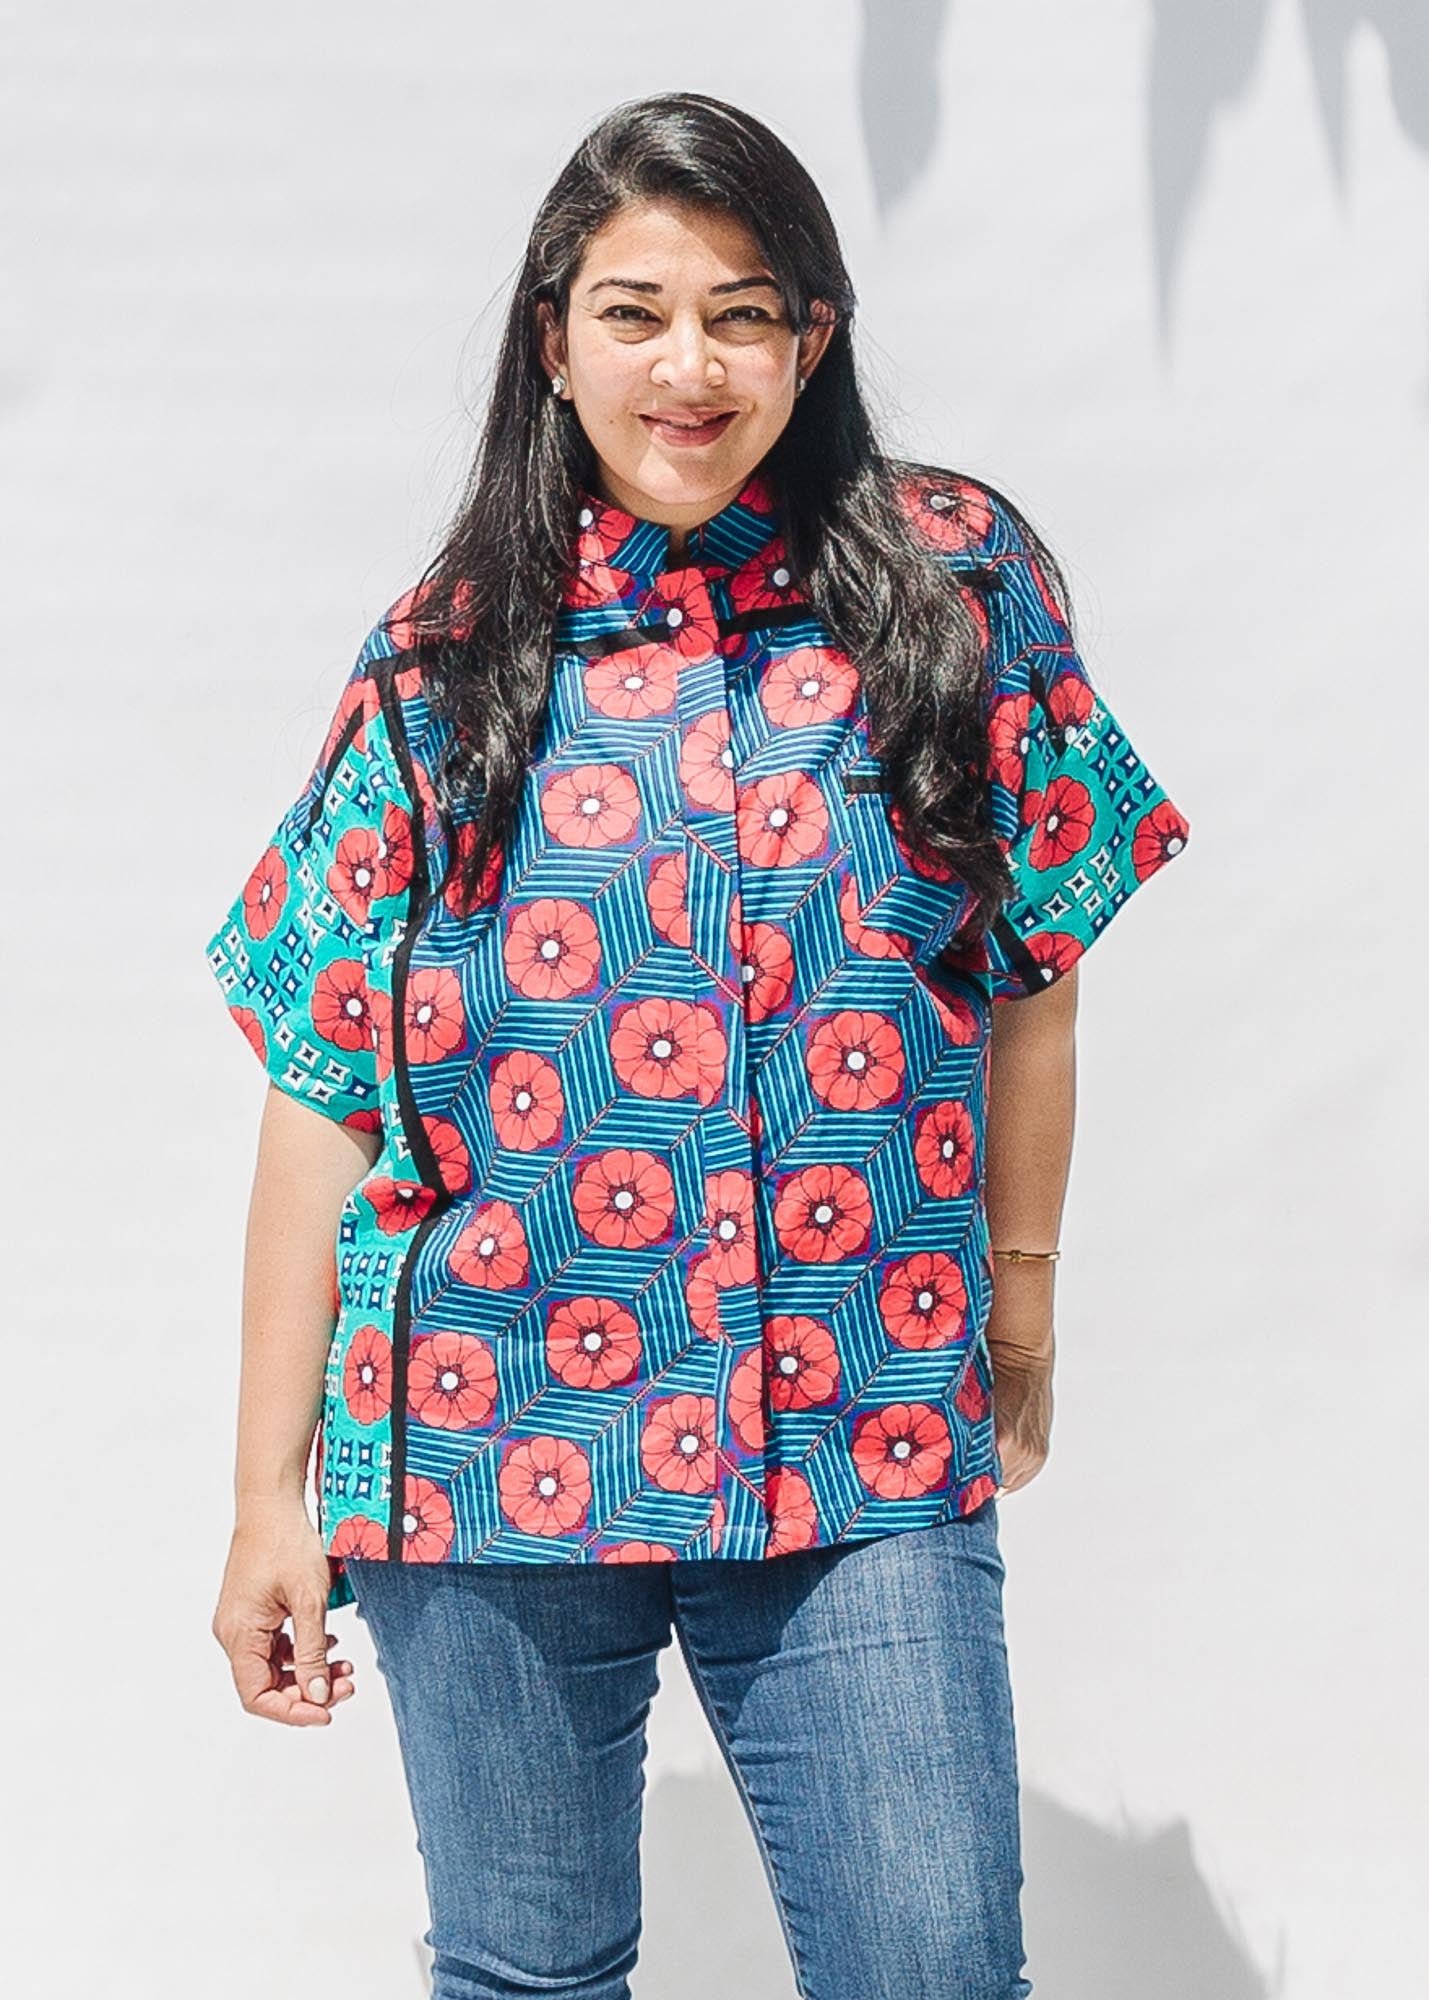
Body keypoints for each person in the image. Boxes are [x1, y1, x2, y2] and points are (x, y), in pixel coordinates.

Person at [204, 90, 1190, 2000]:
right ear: (552, 340)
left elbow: (1034, 955)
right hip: (481, 1437)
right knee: (526, 1975)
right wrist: (267, 1501)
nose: (691, 364)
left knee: (929, 1965)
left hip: (860, 1424)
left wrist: (1024, 1287)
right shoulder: (443, 659)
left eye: (744, 312)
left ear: (810, 339)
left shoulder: (952, 584)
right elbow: (321, 1093)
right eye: (635, 310)